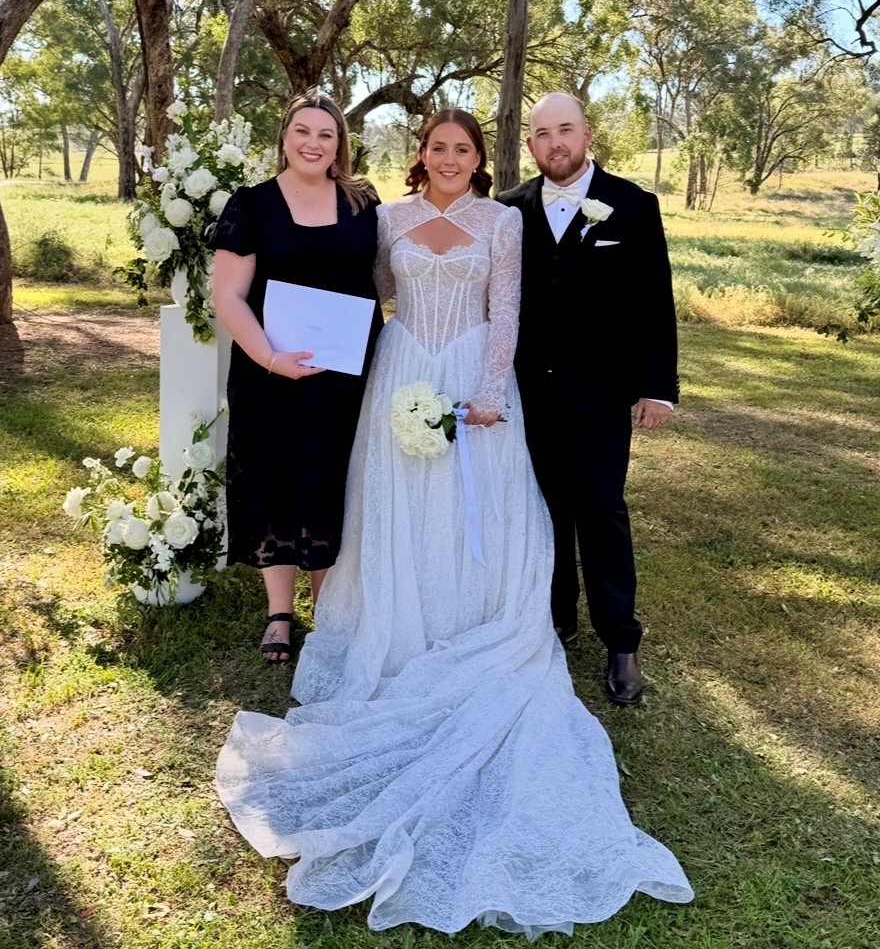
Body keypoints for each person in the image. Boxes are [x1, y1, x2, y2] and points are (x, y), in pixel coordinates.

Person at [216, 108, 693, 936]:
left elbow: (506, 309)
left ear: (479, 158)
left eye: (462, 148)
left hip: (476, 377)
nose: (447, 157)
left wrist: (487, 387)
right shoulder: (386, 219)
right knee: (396, 506)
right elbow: (368, 294)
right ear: (421, 155)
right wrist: (298, 339)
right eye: (436, 147)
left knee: (528, 509)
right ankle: (398, 624)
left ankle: (552, 628)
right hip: (402, 366)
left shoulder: (501, 220)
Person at [497, 92, 679, 707]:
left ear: (587, 134)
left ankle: (621, 641)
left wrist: (657, 388)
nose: (556, 143)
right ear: (530, 144)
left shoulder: (632, 205)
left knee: (600, 508)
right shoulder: (509, 209)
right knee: (544, 510)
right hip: (530, 392)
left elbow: (653, 301)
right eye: (543, 133)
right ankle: (556, 620)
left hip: (601, 394)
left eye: (566, 130)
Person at [210, 91, 383, 663]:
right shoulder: (252, 204)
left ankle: (327, 611)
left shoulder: (362, 201)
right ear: (284, 138)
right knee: (276, 481)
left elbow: (384, 277)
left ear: (340, 145)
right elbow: (228, 296)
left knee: (332, 480)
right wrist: (269, 358)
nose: (314, 143)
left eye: (326, 134)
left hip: (344, 377)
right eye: (303, 132)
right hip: (271, 374)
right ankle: (280, 614)